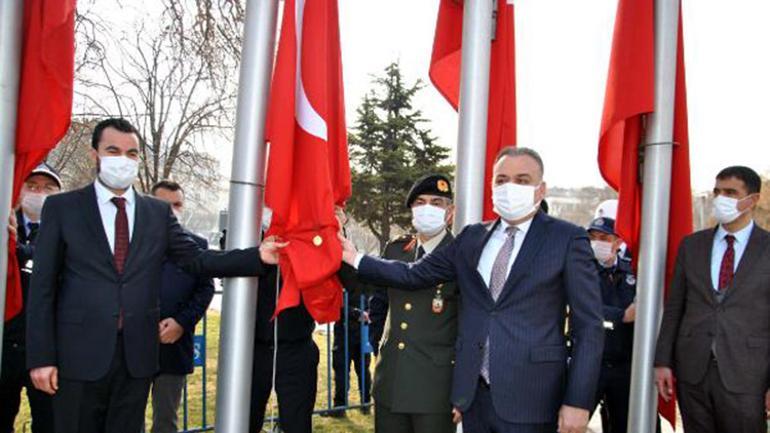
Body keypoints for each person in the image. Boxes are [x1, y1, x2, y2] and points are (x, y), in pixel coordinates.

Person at [25, 117, 282, 433]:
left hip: (137, 357)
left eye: (132, 153)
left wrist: (256, 256)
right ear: (95, 155)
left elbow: (196, 260)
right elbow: (42, 288)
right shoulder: (63, 208)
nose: (123, 160)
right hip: (77, 356)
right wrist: (41, 357)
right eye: (113, 150)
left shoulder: (156, 213)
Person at [341, 147, 604, 433]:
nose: (510, 188)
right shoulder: (472, 237)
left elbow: (589, 326)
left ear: (540, 190)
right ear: (491, 186)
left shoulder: (566, 238)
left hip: (533, 397)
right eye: (502, 180)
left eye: (522, 180)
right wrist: (355, 257)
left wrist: (578, 400)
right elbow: (414, 274)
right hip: (475, 399)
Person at [655, 166, 770, 433]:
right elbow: (675, 307)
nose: (721, 198)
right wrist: (663, 361)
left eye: (730, 192)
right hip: (692, 371)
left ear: (752, 200)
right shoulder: (692, 245)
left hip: (747, 376)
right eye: (717, 191)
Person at [248, 206, 358, 433]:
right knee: (244, 422)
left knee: (296, 424)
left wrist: (335, 233)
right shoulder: (246, 228)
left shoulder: (312, 236)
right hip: (251, 350)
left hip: (296, 349)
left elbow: (352, 282)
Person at [370, 174, 460, 433]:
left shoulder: (460, 254)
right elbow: (380, 305)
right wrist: (383, 350)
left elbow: (468, 324)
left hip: (435, 389)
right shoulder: (396, 250)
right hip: (391, 382)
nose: (427, 208)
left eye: (436, 202)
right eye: (420, 202)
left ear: (450, 212)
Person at [145, 181, 215, 433]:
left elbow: (205, 289)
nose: (172, 211)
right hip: (132, 346)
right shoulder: (131, 242)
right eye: (165, 205)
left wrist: (181, 323)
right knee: (126, 418)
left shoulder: (195, 245)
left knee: (166, 421)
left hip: (173, 347)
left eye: (177, 205)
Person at [1, 164, 61, 433]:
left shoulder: (65, 231)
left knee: (48, 422)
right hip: (6, 345)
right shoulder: (6, 223)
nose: (39, 193)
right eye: (33, 186)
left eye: (48, 188)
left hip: (45, 350)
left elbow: (48, 260)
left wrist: (15, 248)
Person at [586, 217, 635, 433]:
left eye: (604, 238)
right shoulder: (581, 271)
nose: (597, 242)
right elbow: (583, 307)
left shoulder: (633, 271)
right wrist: (621, 316)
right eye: (593, 237)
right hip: (590, 362)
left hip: (625, 365)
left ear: (618, 242)